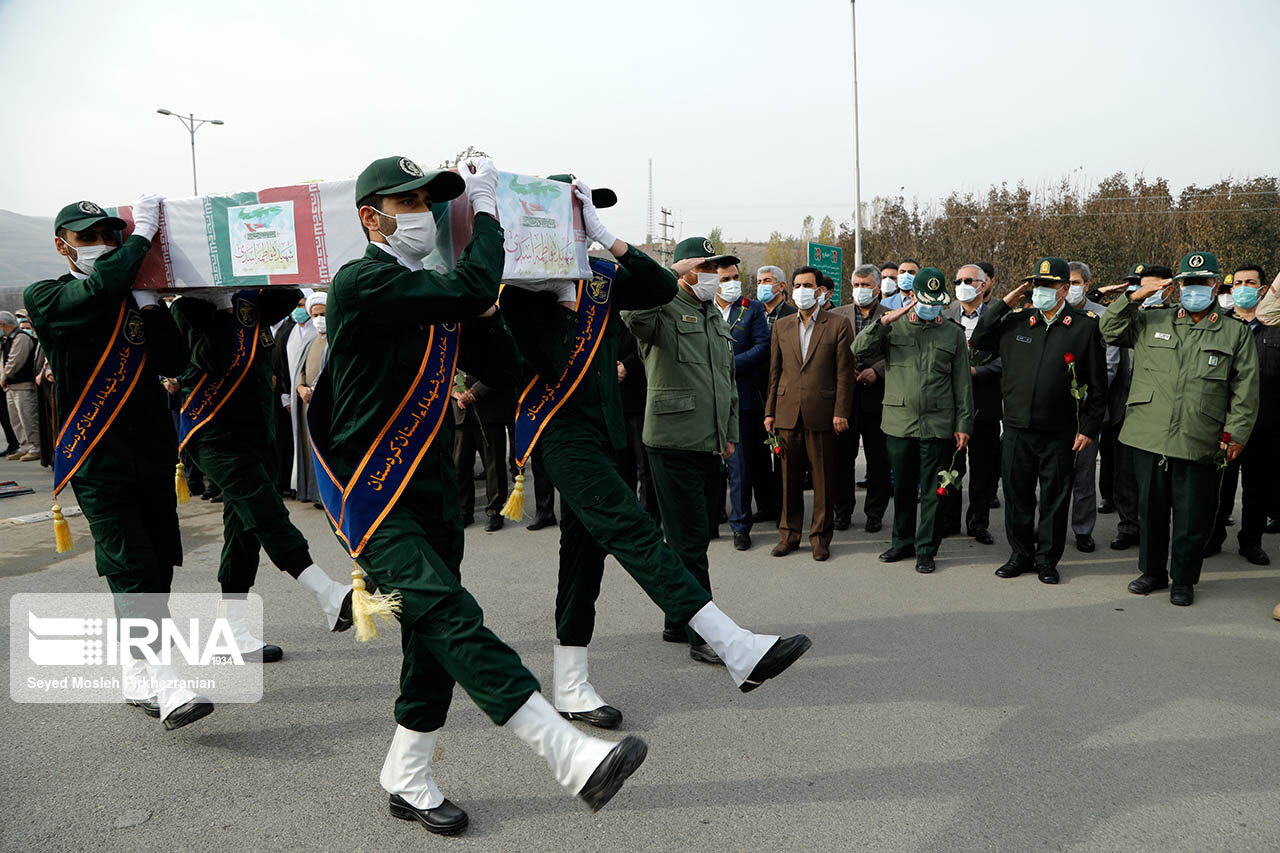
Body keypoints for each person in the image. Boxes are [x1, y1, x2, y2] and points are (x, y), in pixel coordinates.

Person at [315, 155, 650, 831]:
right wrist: (490, 214)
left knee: (431, 637)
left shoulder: (439, 291)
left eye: (430, 204)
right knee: (454, 615)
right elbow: (467, 286)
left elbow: (504, 366)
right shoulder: (363, 282)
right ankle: (565, 750)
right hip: (377, 498)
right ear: (370, 216)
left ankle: (405, 774)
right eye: (408, 203)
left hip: (434, 495)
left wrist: (504, 303)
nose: (423, 215)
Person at [501, 176, 811, 726]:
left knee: (582, 556)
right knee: (633, 530)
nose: (578, 225)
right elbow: (532, 359)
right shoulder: (520, 288)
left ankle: (571, 685)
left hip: (606, 432)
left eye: (584, 218)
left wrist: (608, 240)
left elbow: (658, 286)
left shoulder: (600, 277)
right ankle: (732, 645)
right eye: (571, 216)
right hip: (558, 431)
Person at [25, 195, 214, 730]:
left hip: (151, 456)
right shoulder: (49, 296)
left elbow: (176, 361)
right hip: (97, 460)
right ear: (64, 247)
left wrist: (152, 305)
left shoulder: (129, 298)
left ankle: (137, 673)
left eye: (111, 236)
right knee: (131, 567)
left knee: (156, 566)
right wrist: (137, 242)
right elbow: (97, 289)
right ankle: (170, 679)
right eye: (89, 239)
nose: (102, 246)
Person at [170, 289, 354, 661]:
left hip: (256, 433)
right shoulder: (188, 309)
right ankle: (326, 592)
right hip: (214, 434)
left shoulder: (249, 302)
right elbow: (214, 358)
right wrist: (219, 303)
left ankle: (232, 632)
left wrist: (242, 271)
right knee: (266, 513)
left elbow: (286, 294)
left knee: (243, 534)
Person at [1100, 251, 1259, 606]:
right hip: (1149, 433)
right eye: (1188, 282)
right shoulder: (1153, 319)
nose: (1194, 288)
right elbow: (1108, 328)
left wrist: (1236, 434)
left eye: (1202, 282)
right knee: (1151, 511)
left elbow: (1245, 389)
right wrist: (1134, 296)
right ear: (1178, 286)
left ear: (1215, 285)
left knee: (1191, 517)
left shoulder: (1234, 332)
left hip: (1199, 435)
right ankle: (1152, 572)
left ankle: (1184, 580)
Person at [623, 236, 740, 662]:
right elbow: (632, 315)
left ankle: (677, 618)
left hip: (708, 442)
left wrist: (729, 434)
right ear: (685, 269)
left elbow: (726, 384)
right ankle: (703, 635)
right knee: (690, 542)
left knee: (695, 537)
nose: (714, 277)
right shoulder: (663, 305)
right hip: (672, 441)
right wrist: (667, 276)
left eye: (718, 269)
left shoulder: (715, 315)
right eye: (706, 268)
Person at [970, 257, 1107, 584]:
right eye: (1038, 284)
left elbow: (1098, 385)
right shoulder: (1017, 321)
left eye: (1049, 285)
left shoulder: (1084, 325)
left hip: (1060, 432)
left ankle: (1046, 559)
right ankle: (1020, 554)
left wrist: (1088, 429)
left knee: (1054, 500)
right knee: (1017, 497)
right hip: (1017, 428)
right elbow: (979, 340)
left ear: (1063, 289)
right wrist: (1007, 300)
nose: (1042, 290)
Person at [854, 268, 973, 573]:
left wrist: (963, 425)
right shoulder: (893, 328)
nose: (930, 306)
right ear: (911, 297)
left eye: (936, 302)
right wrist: (883, 323)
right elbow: (856, 351)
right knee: (903, 487)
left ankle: (926, 549)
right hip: (899, 421)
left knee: (933, 491)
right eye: (925, 300)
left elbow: (962, 384)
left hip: (938, 423)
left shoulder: (952, 332)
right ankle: (901, 542)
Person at [765, 265, 854, 560]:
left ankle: (820, 538)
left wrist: (841, 411)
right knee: (788, 481)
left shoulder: (838, 324)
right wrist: (770, 412)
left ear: (820, 291)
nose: (803, 291)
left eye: (809, 286)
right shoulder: (782, 325)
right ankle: (789, 535)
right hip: (787, 411)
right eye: (798, 285)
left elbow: (844, 374)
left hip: (823, 412)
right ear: (791, 289)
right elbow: (774, 372)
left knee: (823, 480)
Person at [1203, 264, 1275, 565]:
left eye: (1251, 283)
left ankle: (1251, 541)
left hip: (1266, 422)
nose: (1243, 288)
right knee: (1220, 484)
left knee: (1257, 487)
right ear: (1231, 290)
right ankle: (1214, 536)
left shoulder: (1275, 327)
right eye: (1238, 283)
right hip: (1223, 422)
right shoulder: (1220, 325)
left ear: (1262, 290)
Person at [713, 259, 770, 550]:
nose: (732, 283)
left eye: (735, 277)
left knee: (739, 467)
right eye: (725, 279)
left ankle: (741, 526)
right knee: (709, 466)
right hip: (708, 399)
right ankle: (711, 520)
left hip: (742, 399)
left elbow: (763, 346)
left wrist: (731, 365)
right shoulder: (702, 307)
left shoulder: (752, 308)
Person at [942, 264, 1001, 544]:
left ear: (983, 285)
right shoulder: (945, 315)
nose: (963, 284)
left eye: (969, 280)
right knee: (953, 464)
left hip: (985, 402)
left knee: (983, 468)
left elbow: (1007, 359)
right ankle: (950, 519)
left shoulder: (998, 317)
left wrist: (979, 372)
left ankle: (978, 522)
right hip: (951, 405)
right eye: (959, 280)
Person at [829, 264, 891, 532]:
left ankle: (874, 513)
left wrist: (875, 372)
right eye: (856, 285)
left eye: (866, 285)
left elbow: (899, 354)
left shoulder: (891, 316)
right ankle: (842, 511)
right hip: (844, 399)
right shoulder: (834, 315)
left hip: (878, 398)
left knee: (878, 460)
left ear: (877, 288)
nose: (860, 290)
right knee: (842, 459)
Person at [1101, 264, 1153, 550]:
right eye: (1132, 284)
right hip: (1124, 407)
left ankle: (1152, 526)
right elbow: (1105, 327)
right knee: (1124, 474)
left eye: (1141, 284)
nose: (1137, 289)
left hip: (1156, 412)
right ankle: (1127, 526)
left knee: (1152, 478)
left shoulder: (1167, 318)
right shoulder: (1125, 317)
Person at [1063, 261, 1111, 553]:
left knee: (1083, 475)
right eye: (1066, 282)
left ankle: (1083, 529)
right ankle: (1048, 525)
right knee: (1052, 475)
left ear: (1087, 285)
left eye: (1076, 282)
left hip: (1088, 405)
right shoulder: (1054, 314)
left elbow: (1110, 364)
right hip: (1056, 408)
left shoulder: (1101, 316)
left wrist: (1089, 395)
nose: (1071, 288)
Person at [452, 358, 515, 532]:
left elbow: (500, 371)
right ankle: (464, 511)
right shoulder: (449, 339)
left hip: (488, 413)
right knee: (460, 466)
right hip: (461, 414)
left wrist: (474, 392)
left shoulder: (488, 337)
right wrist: (454, 391)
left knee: (493, 465)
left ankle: (495, 511)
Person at [753, 265, 794, 525]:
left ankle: (785, 507)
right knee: (758, 453)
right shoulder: (752, 313)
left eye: (767, 281)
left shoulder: (791, 314)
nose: (762, 285)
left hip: (783, 390)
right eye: (758, 281)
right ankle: (765, 505)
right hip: (756, 390)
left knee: (783, 454)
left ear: (780, 286)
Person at [615, 326, 659, 520]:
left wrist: (627, 366)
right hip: (616, 404)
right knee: (622, 466)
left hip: (641, 401)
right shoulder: (604, 314)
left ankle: (648, 515)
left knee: (645, 466)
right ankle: (628, 514)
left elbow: (650, 346)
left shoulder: (640, 313)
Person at [289, 292, 325, 502]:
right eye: (315, 315)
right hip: (306, 404)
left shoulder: (337, 339)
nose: (319, 320)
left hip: (324, 405)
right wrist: (301, 387)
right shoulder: (310, 341)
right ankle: (311, 493)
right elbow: (299, 371)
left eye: (322, 314)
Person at [0, 311, 40, 461]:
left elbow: (15, 361)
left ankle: (35, 447)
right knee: (16, 420)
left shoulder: (21, 337)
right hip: (11, 386)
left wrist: (4, 376)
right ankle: (24, 446)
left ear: (3, 324)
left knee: (28, 418)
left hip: (23, 384)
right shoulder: (7, 339)